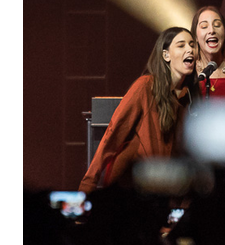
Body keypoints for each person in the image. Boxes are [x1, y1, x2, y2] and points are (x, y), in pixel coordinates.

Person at [79, 27, 199, 193]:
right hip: (131, 188)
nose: (189, 49)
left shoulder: (189, 98)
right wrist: (87, 186)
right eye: (181, 45)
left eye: (192, 45)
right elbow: (113, 134)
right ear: (166, 55)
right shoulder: (145, 86)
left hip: (163, 189)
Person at [191, 6, 225, 98]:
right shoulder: (189, 69)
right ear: (195, 37)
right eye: (204, 26)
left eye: (217, 25)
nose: (211, 31)